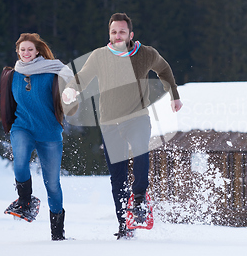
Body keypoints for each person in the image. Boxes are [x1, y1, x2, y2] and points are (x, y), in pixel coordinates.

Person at [63, 13, 182, 239]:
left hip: (137, 118)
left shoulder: (146, 54)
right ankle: (124, 225)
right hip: (110, 123)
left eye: (122, 32)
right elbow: (84, 76)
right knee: (117, 177)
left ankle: (139, 199)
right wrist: (71, 89)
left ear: (131, 34)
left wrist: (173, 95)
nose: (118, 36)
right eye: (114, 32)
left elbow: (164, 69)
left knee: (140, 150)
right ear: (109, 34)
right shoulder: (99, 56)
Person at [0, 33, 77, 241]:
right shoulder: (13, 77)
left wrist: (71, 96)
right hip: (23, 128)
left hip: (49, 133)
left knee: (53, 185)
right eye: (22, 50)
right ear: (17, 52)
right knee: (20, 164)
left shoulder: (54, 72)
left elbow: (70, 99)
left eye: (30, 49)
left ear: (37, 50)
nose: (26, 53)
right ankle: (25, 201)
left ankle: (58, 234)